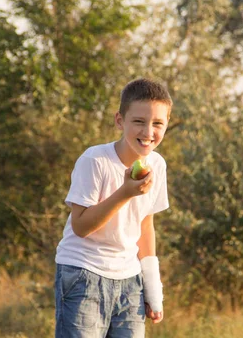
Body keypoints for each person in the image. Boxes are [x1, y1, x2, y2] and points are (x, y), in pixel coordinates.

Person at [54, 78, 172, 337]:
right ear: (120, 120)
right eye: (139, 121)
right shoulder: (94, 160)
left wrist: (152, 289)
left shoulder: (157, 165)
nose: (148, 132)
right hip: (83, 274)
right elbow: (81, 226)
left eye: (157, 123)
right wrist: (124, 193)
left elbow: (145, 226)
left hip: (130, 281)